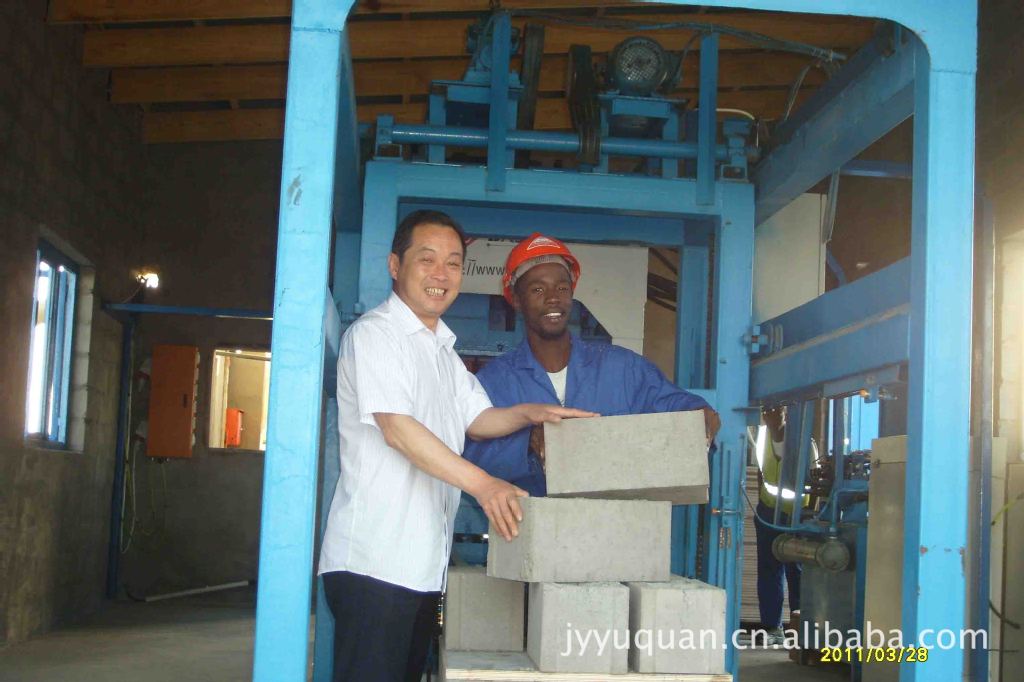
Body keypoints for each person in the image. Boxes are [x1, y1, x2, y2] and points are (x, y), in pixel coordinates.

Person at [317, 212, 594, 682]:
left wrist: (532, 413)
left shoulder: (442, 351)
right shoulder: (375, 335)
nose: (441, 274)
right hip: (373, 565)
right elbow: (397, 428)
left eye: (452, 263)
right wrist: (484, 485)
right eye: (427, 260)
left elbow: (479, 420)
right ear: (395, 265)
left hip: (420, 569)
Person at [462, 232, 721, 498]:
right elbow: (468, 458)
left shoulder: (622, 368)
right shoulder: (494, 382)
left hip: (616, 520)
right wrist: (527, 443)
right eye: (537, 289)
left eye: (562, 288)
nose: (553, 298)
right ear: (517, 300)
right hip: (531, 521)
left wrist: (700, 415)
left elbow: (672, 403)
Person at [753, 406, 811, 645]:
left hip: (795, 515)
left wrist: (805, 517)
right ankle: (771, 627)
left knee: (797, 571)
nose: (772, 416)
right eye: (768, 412)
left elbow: (812, 479)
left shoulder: (803, 441)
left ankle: (800, 630)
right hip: (768, 512)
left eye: (777, 412)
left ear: (786, 413)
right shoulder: (762, 439)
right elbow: (761, 473)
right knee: (769, 571)